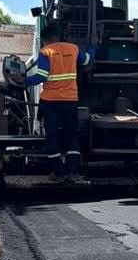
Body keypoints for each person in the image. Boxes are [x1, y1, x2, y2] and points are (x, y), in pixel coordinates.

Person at [29, 24, 93, 180]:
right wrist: (93, 45)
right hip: (70, 101)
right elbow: (87, 60)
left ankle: (58, 173)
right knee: (71, 135)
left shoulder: (46, 52)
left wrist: (23, 81)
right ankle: (73, 172)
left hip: (51, 103)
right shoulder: (73, 48)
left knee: (52, 136)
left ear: (46, 40)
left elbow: (41, 76)